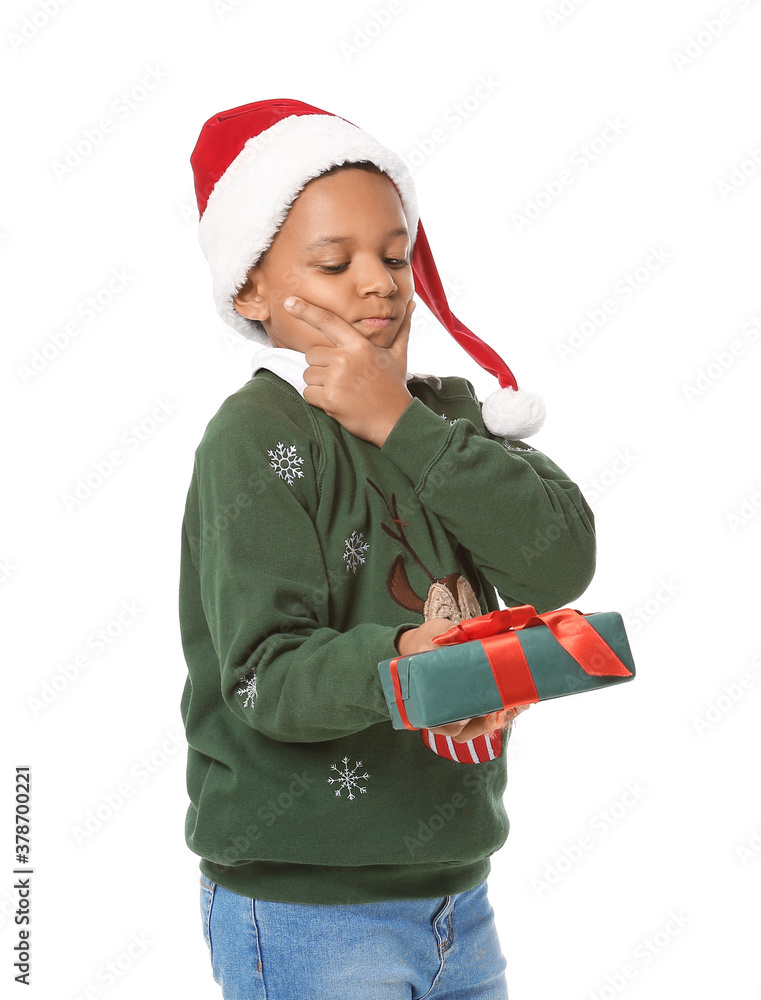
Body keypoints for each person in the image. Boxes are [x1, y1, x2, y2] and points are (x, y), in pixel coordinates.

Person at [179, 98, 596, 1000]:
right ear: (250, 290)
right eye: (333, 263)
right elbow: (264, 676)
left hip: (458, 890)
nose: (377, 282)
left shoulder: (444, 422)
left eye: (394, 255)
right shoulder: (255, 439)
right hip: (306, 911)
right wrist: (414, 664)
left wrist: (397, 420)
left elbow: (558, 561)